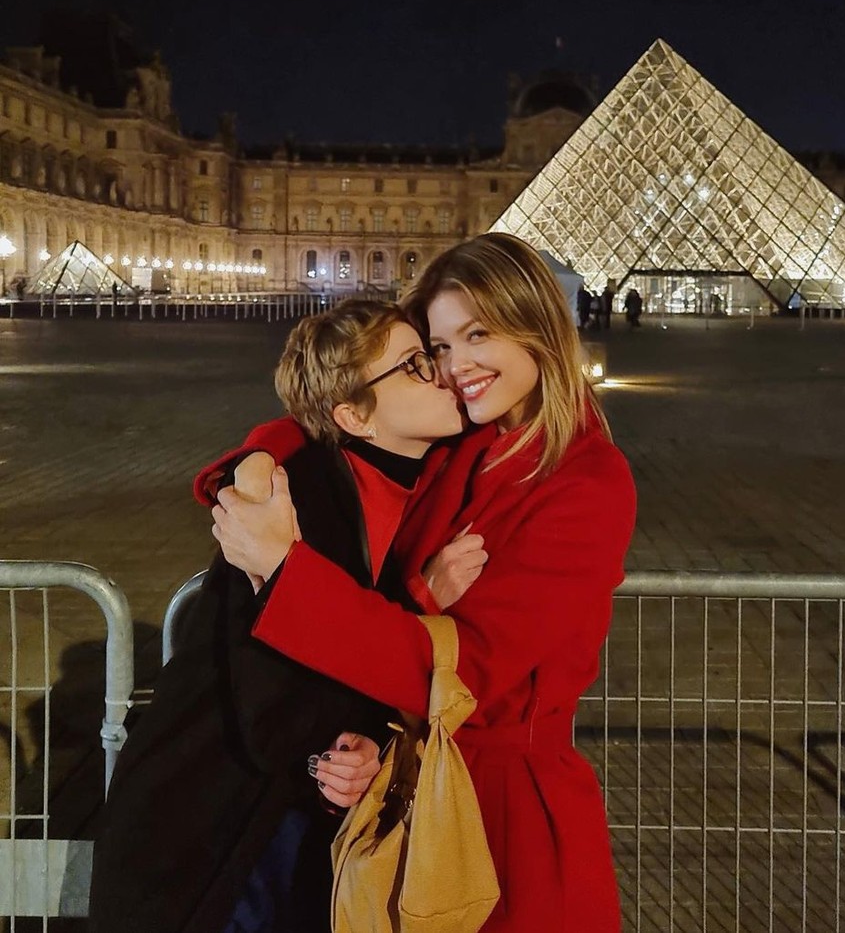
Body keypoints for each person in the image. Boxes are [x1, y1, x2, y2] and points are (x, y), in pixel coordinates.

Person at [211, 233, 637, 933]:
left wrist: (283, 574)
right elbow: (329, 420)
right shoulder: (467, 442)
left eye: (477, 334)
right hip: (411, 781)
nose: (454, 367)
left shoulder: (587, 482)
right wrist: (250, 465)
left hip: (507, 819)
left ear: (537, 325)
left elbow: (466, 668)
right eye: (438, 347)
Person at [89, 300, 483, 933]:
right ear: (354, 415)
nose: (444, 372)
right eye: (416, 364)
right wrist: (420, 604)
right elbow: (274, 701)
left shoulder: (402, 478)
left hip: (272, 823)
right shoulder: (292, 504)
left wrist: (365, 741)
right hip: (220, 836)